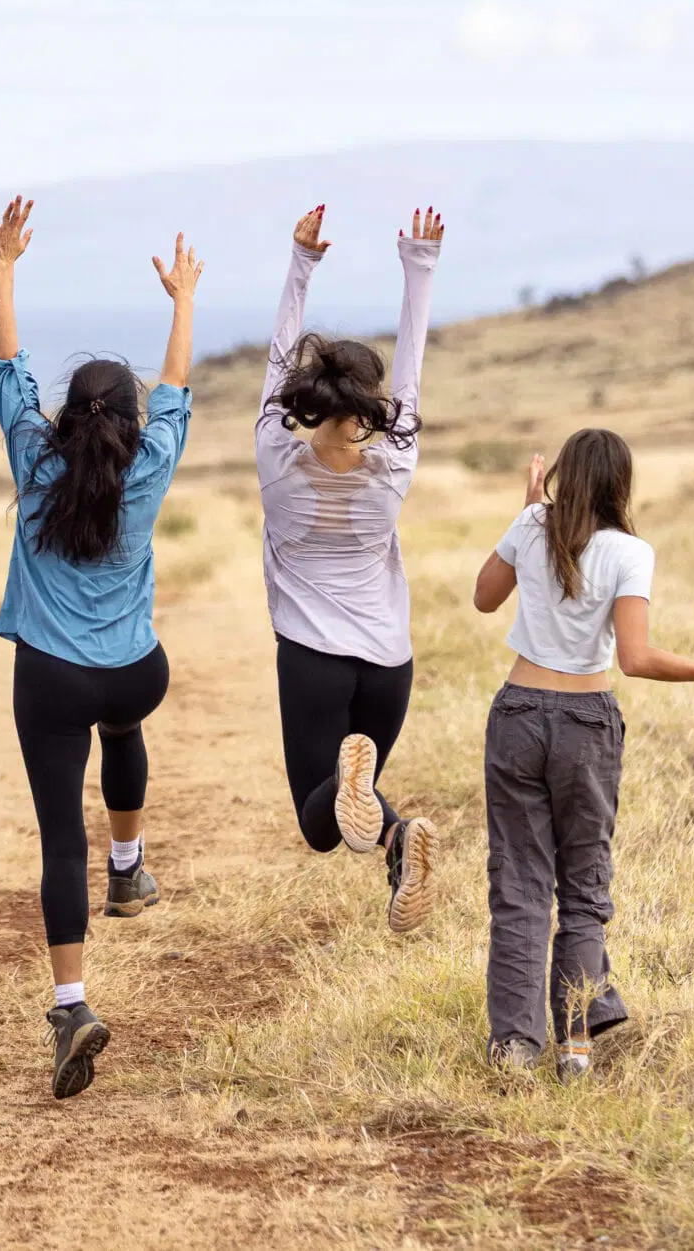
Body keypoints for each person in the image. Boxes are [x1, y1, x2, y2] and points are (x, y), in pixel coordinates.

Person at [0, 196, 200, 1100]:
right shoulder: (152, 464)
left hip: (51, 680)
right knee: (125, 720)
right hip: (136, 672)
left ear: (65, 415)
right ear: (133, 423)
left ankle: (71, 1004)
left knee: (60, 836)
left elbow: (7, 366)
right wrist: (181, 298)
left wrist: (4, 265)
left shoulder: (33, 455)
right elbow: (175, 386)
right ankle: (131, 867)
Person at [471, 430, 694, 1079]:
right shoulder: (630, 551)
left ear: (563, 475)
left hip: (519, 713)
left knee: (520, 884)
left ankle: (516, 1047)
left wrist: (527, 508)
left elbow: (483, 595)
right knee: (583, 886)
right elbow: (635, 658)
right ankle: (576, 1047)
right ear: (621, 484)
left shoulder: (532, 524)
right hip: (585, 723)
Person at [256, 203, 445, 931]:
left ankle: (351, 778)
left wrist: (301, 263)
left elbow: (278, 363)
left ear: (307, 400)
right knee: (355, 809)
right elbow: (413, 368)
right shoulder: (394, 463)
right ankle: (399, 841)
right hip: (389, 664)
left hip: (313, 658)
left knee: (322, 820)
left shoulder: (278, 459)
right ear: (371, 406)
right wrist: (418, 264)